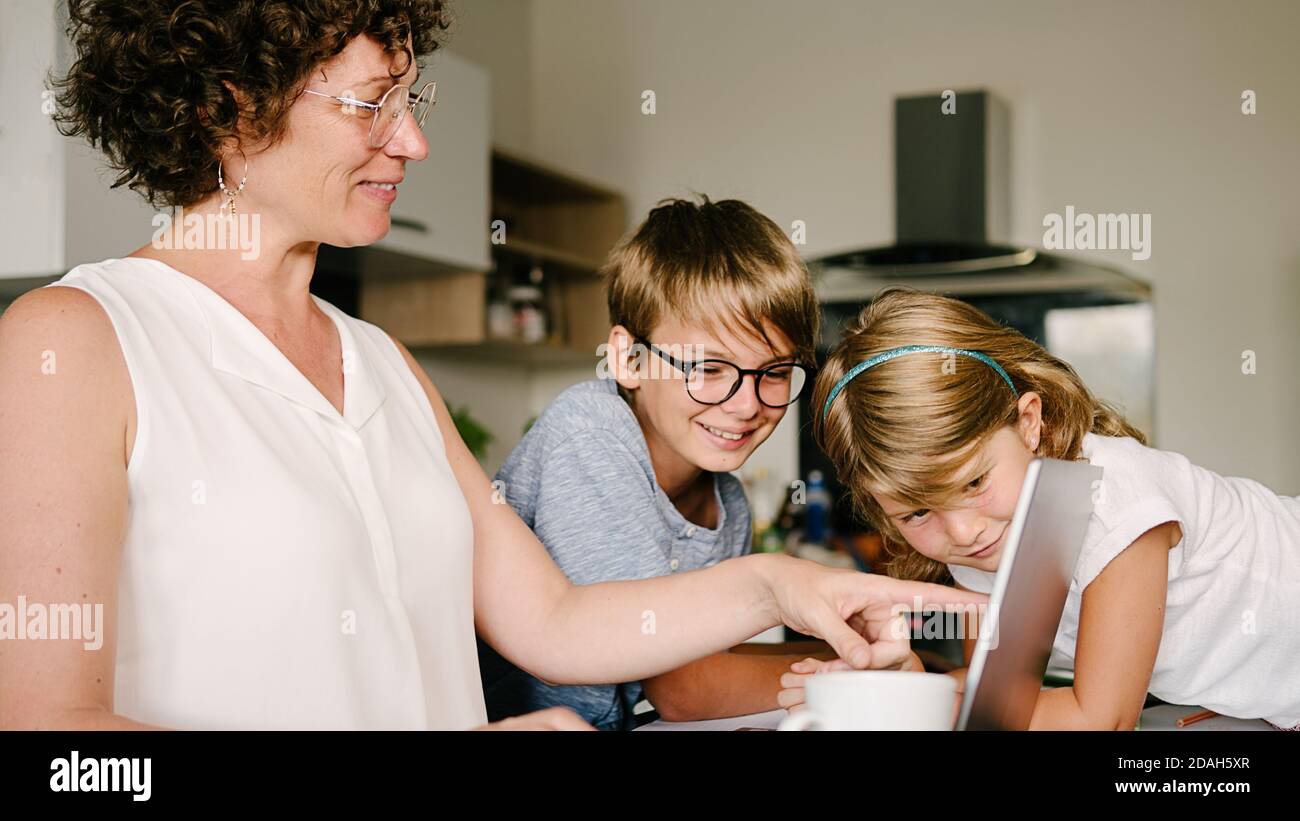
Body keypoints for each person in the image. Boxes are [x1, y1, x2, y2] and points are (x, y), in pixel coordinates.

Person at [0, 1, 978, 730]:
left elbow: (551, 620)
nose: (413, 140)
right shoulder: (76, 342)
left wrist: (782, 585)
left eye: (410, 99)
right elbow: (52, 741)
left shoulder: (379, 360)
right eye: (370, 104)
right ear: (231, 107)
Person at [478, 197, 926, 729]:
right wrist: (875, 674)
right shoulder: (591, 435)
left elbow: (709, 666)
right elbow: (684, 690)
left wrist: (859, 659)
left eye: (775, 371)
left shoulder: (726, 503)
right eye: (709, 368)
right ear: (628, 359)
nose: (746, 404)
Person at [784, 287, 1300, 730]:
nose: (962, 532)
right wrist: (898, 688)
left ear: (1029, 422)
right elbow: (1002, 694)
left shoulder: (1116, 504)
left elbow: (1099, 720)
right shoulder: (988, 539)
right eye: (916, 513)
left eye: (975, 481)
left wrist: (926, 714)